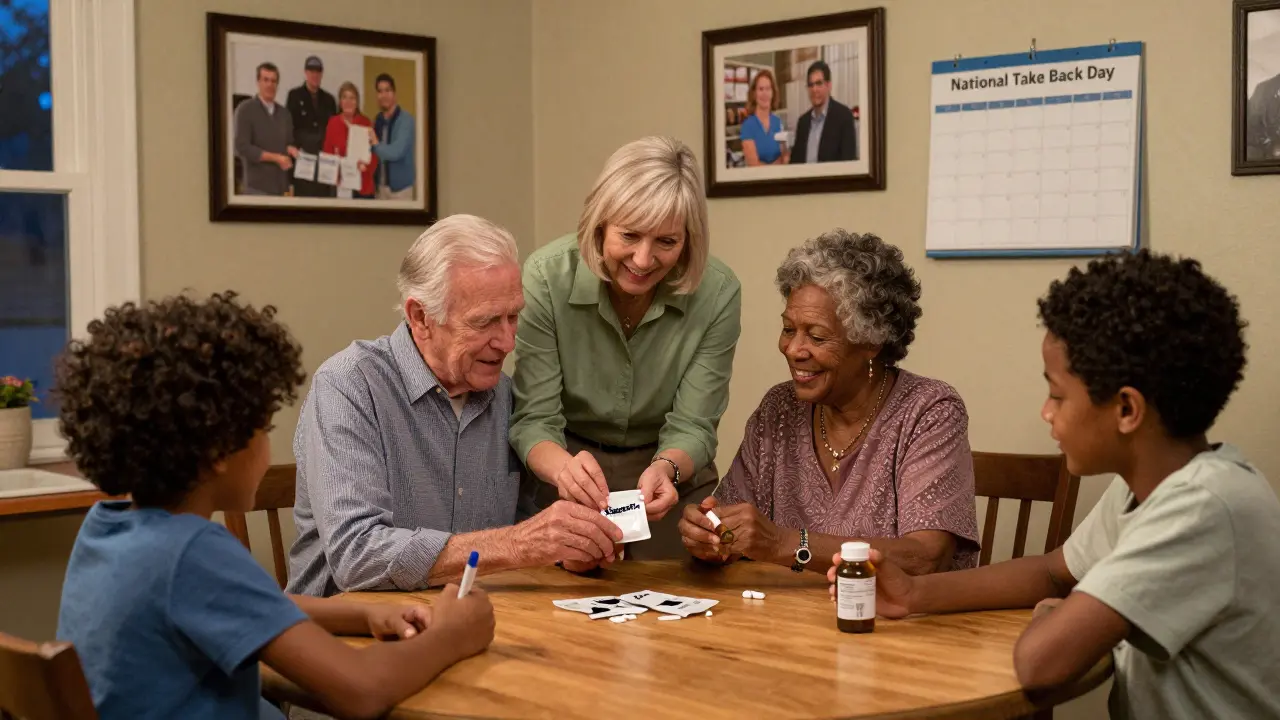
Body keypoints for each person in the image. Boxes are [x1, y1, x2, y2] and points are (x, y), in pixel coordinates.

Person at [827, 250, 1280, 719]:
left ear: (1127, 410)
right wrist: (913, 594)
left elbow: (1041, 664)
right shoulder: (1150, 488)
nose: (1046, 412)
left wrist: (1052, 616)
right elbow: (1051, 572)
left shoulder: (1201, 508)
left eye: (1057, 394)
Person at [53, 291, 496, 720]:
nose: (269, 448)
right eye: (263, 428)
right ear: (219, 452)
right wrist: (452, 636)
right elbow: (361, 691)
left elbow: (244, 605)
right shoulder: (194, 552)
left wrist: (363, 612)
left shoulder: (109, 531)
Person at [287, 214, 624, 597]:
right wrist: (519, 545)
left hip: (471, 627)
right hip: (344, 638)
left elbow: (528, 528)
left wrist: (569, 549)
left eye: (513, 317)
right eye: (485, 323)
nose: (507, 342)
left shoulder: (507, 399)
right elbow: (357, 556)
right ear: (420, 317)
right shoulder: (349, 386)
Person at [679, 230, 979, 575]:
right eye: (789, 329)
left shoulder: (929, 412)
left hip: (893, 623)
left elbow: (925, 557)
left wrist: (782, 544)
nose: (793, 350)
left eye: (817, 336)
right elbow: (731, 524)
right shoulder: (779, 408)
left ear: (871, 341)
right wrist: (711, 534)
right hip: (785, 622)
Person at [510, 136, 742, 563]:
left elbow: (694, 424)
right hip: (566, 468)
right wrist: (564, 471)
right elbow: (534, 419)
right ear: (600, 225)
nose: (643, 258)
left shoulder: (718, 292)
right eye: (629, 235)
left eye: (666, 243)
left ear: (689, 241)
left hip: (668, 479)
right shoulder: (546, 277)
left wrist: (667, 468)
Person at [233, 62, 298, 196]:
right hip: (256, 188)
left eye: (273, 81)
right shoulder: (245, 109)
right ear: (258, 82)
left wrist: (291, 150)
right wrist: (275, 158)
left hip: (281, 189)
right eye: (266, 80)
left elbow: (288, 143)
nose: (270, 85)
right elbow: (241, 147)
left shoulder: (285, 114)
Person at [286, 55, 337, 198]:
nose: (315, 75)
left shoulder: (329, 100)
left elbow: (333, 130)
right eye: (311, 71)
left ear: (322, 74)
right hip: (303, 161)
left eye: (318, 72)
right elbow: (289, 127)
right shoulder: (294, 96)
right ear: (305, 73)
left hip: (324, 162)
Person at [789, 60, 857, 164]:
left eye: (819, 83)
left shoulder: (844, 116)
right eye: (810, 85)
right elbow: (795, 163)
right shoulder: (803, 122)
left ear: (829, 85)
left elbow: (849, 161)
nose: (814, 89)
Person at [323, 81, 378, 199]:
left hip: (363, 185)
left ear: (357, 102)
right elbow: (327, 153)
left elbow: (375, 153)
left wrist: (366, 167)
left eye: (352, 98)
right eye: (344, 97)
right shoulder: (333, 123)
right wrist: (334, 174)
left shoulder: (365, 123)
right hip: (342, 185)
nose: (348, 102)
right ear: (340, 101)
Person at [370, 73, 416, 200]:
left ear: (394, 93)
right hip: (380, 189)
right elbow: (372, 154)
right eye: (380, 91)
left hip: (401, 191)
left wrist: (375, 144)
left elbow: (396, 151)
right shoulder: (377, 121)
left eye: (387, 90)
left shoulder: (406, 120)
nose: (383, 95)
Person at [740, 69, 788, 166]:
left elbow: (785, 156)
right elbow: (754, 165)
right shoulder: (747, 126)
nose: (764, 93)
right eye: (761, 89)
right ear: (754, 94)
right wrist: (777, 167)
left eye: (768, 89)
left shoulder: (777, 122)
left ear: (773, 92)